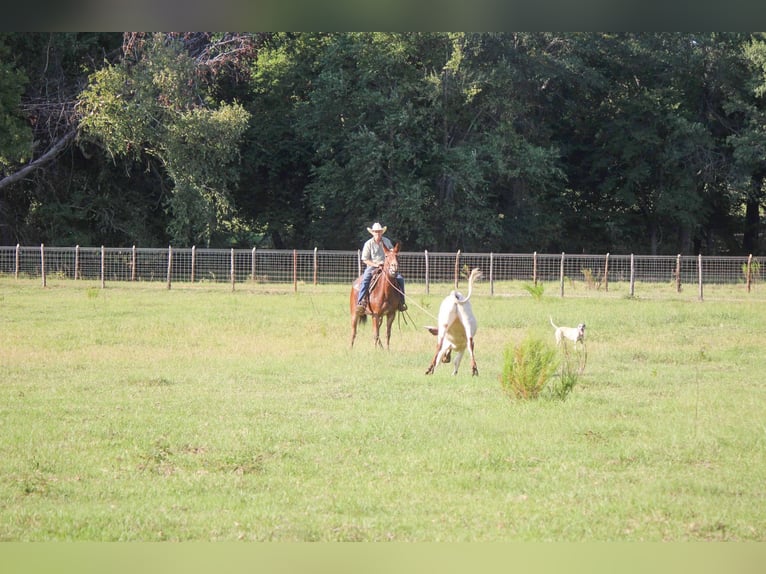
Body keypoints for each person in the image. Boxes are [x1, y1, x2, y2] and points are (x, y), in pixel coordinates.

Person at [356, 222, 406, 314]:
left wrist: (392, 257)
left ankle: (401, 302)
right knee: (366, 278)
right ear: (373, 232)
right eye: (376, 232)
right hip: (373, 267)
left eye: (379, 231)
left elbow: (391, 252)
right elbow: (365, 259)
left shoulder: (386, 241)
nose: (378, 233)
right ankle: (361, 301)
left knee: (400, 279)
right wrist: (376, 265)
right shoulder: (368, 244)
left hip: (387, 267)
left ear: (382, 232)